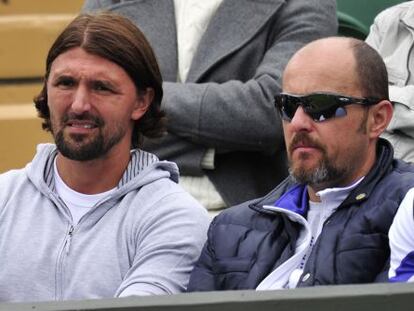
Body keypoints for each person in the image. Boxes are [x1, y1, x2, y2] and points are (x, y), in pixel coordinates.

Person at [0, 12, 210, 302]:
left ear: (141, 102)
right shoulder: (5, 197)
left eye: (101, 87)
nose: (79, 104)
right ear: (46, 89)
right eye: (65, 83)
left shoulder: (174, 217)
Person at [187, 37, 414, 291]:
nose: (297, 122)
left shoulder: (408, 209)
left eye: (321, 106)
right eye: (288, 106)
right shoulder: (230, 228)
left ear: (377, 119)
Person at [82, 0, 338, 212]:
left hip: (238, 215)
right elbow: (87, 106)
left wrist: (131, 99)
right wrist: (217, 144)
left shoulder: (302, 3)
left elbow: (275, 111)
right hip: (116, 203)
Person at [366, 1, 414, 163]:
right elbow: (351, 92)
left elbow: (362, 99)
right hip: (369, 165)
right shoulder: (389, 21)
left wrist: (377, 102)